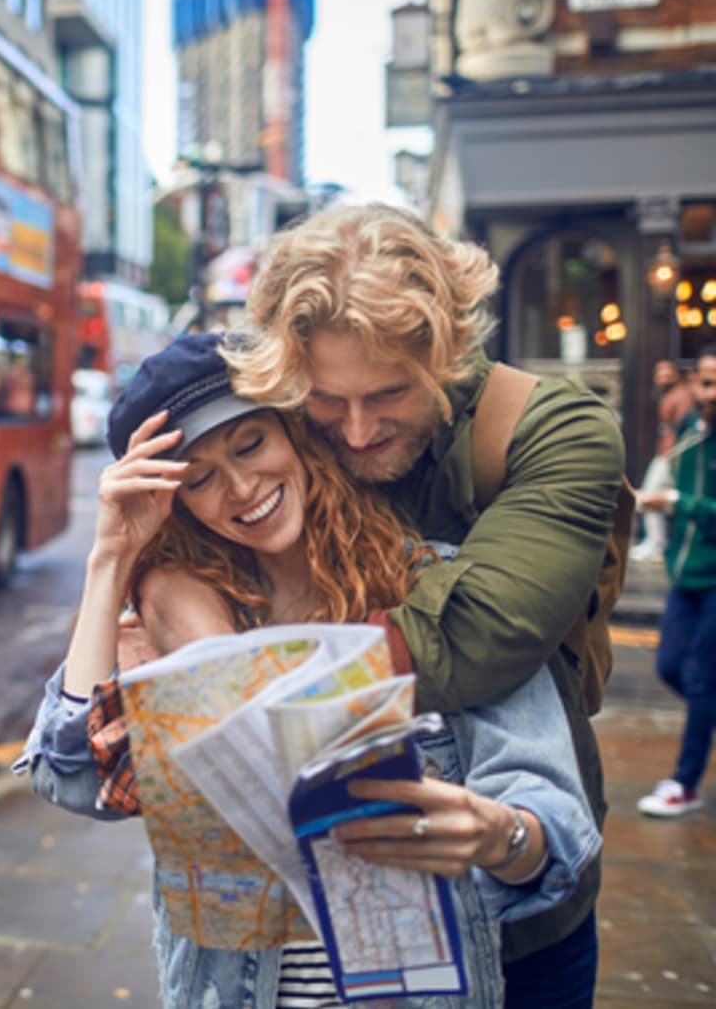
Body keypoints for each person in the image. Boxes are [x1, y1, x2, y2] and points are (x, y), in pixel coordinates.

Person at [19, 333, 599, 1009]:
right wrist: (110, 560)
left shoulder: (435, 585)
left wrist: (501, 834)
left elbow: (554, 824)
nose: (241, 487)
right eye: (199, 477)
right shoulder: (184, 620)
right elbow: (71, 776)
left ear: (296, 433)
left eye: (250, 444)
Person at [225, 203, 624, 1008]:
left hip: (515, 908)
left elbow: (473, 637)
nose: (359, 429)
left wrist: (235, 683)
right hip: (317, 920)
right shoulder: (280, 435)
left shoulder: (561, 430)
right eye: (328, 401)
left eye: (390, 393)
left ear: (449, 350)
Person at [635, 343, 716, 818]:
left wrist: (676, 503)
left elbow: (692, 501)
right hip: (685, 577)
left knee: (703, 679)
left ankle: (685, 783)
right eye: (706, 382)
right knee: (670, 667)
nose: (712, 392)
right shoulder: (692, 431)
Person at [631, 359, 694, 561]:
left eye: (667, 373)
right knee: (653, 495)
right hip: (665, 453)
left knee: (651, 494)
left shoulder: (682, 396)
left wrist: (672, 455)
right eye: (659, 374)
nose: (662, 378)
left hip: (671, 455)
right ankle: (655, 541)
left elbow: (683, 431)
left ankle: (657, 543)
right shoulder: (668, 395)